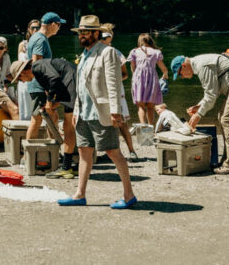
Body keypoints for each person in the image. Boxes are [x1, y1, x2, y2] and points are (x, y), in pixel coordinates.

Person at [54, 15, 136, 209]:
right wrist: (76, 110)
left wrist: (115, 111)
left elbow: (113, 82)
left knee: (112, 151)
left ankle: (129, 194)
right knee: (83, 151)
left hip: (101, 111)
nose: (81, 36)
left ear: (96, 33)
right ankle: (79, 194)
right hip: (83, 113)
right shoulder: (85, 54)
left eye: (85, 32)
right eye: (80, 32)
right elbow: (81, 86)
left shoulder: (107, 52)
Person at [171, 48, 229, 174]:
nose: (182, 77)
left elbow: (211, 95)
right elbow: (212, 93)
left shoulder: (202, 66)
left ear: (184, 66)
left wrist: (197, 116)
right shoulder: (199, 64)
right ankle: (228, 160)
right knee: (223, 117)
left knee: (228, 120)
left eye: (180, 74)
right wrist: (198, 106)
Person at [10, 54, 77, 179]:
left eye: (20, 79)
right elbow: (56, 84)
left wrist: (50, 102)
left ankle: (67, 167)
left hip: (72, 81)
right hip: (70, 81)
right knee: (70, 124)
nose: (22, 82)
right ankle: (70, 164)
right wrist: (53, 103)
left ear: (23, 72)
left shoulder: (37, 66)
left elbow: (55, 79)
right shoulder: (38, 73)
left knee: (69, 126)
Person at [25, 11, 66, 141]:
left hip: (38, 86)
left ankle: (54, 149)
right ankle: (27, 156)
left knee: (52, 117)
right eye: (59, 25)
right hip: (39, 87)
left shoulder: (38, 37)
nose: (59, 28)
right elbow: (37, 64)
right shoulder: (40, 39)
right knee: (36, 119)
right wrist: (48, 89)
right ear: (53, 24)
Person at [100, 24, 138, 161]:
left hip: (116, 91)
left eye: (105, 37)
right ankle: (109, 151)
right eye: (100, 37)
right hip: (100, 92)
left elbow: (125, 75)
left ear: (110, 38)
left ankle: (132, 151)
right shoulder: (95, 52)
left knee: (121, 122)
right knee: (102, 121)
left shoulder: (116, 53)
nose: (102, 40)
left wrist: (112, 80)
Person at [127, 33, 169, 125]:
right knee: (150, 106)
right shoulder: (156, 52)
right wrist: (165, 74)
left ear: (139, 41)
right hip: (152, 78)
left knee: (141, 106)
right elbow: (163, 68)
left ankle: (143, 127)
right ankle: (151, 128)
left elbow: (133, 68)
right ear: (150, 41)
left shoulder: (134, 51)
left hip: (139, 78)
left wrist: (135, 77)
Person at [17, 20, 40, 119]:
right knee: (24, 109)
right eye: (33, 28)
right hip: (23, 79)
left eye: (37, 28)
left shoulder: (41, 43)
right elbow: (18, 64)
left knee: (35, 110)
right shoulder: (22, 45)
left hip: (35, 79)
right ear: (28, 30)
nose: (35, 30)